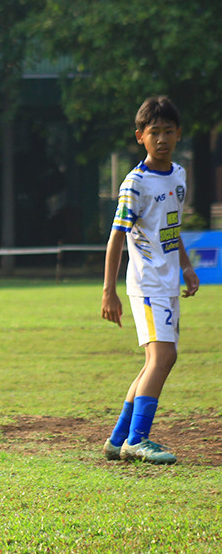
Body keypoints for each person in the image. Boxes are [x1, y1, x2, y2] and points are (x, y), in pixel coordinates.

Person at [101, 95, 199, 465]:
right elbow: (116, 237)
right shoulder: (135, 183)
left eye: (168, 131)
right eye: (153, 132)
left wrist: (187, 267)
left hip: (169, 280)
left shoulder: (179, 175)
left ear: (178, 135)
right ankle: (138, 440)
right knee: (164, 357)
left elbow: (172, 229)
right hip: (147, 283)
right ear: (140, 135)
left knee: (152, 363)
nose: (161, 138)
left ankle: (118, 439)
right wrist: (109, 292)